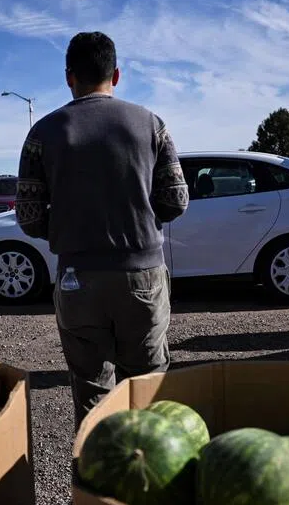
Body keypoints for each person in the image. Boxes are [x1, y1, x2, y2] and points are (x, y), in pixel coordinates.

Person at [15, 31, 189, 427]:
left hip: (78, 278)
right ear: (117, 74)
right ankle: (148, 478)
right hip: (142, 275)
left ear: (68, 76)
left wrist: (69, 229)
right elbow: (176, 201)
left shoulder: (43, 133)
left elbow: (28, 216)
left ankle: (94, 477)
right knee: (147, 389)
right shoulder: (150, 124)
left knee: (93, 392)